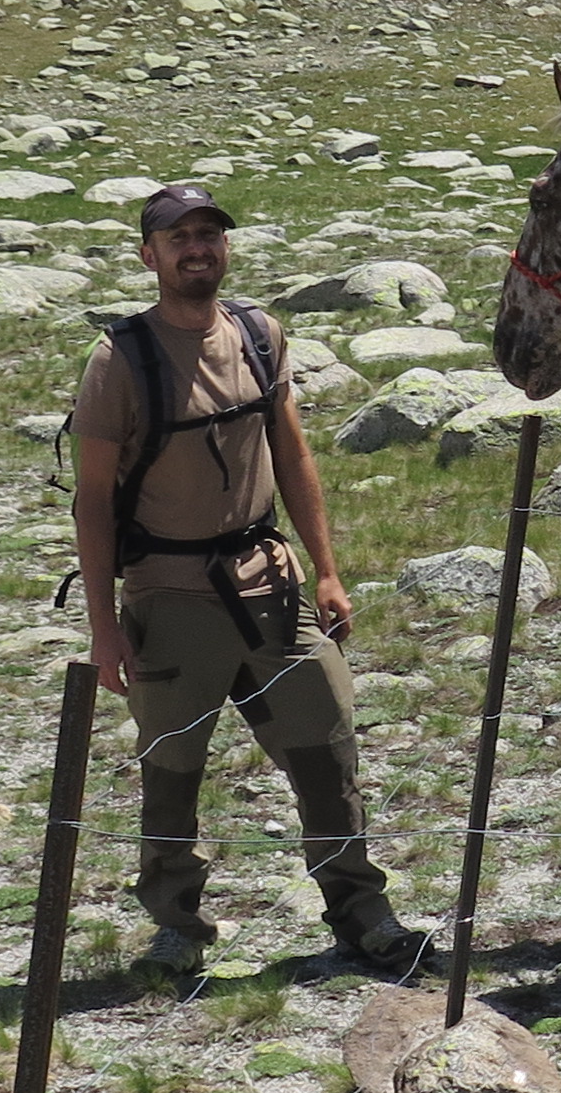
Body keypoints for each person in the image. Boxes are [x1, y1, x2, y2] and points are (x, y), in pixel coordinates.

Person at [70, 182, 413, 979]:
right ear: (147, 254)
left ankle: (362, 913)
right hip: (168, 593)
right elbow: (92, 503)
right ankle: (176, 927)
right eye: (179, 237)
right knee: (172, 771)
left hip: (273, 587)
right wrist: (103, 627)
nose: (198, 249)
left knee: (327, 748)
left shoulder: (259, 334)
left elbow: (292, 454)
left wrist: (326, 570)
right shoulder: (119, 358)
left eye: (209, 235)